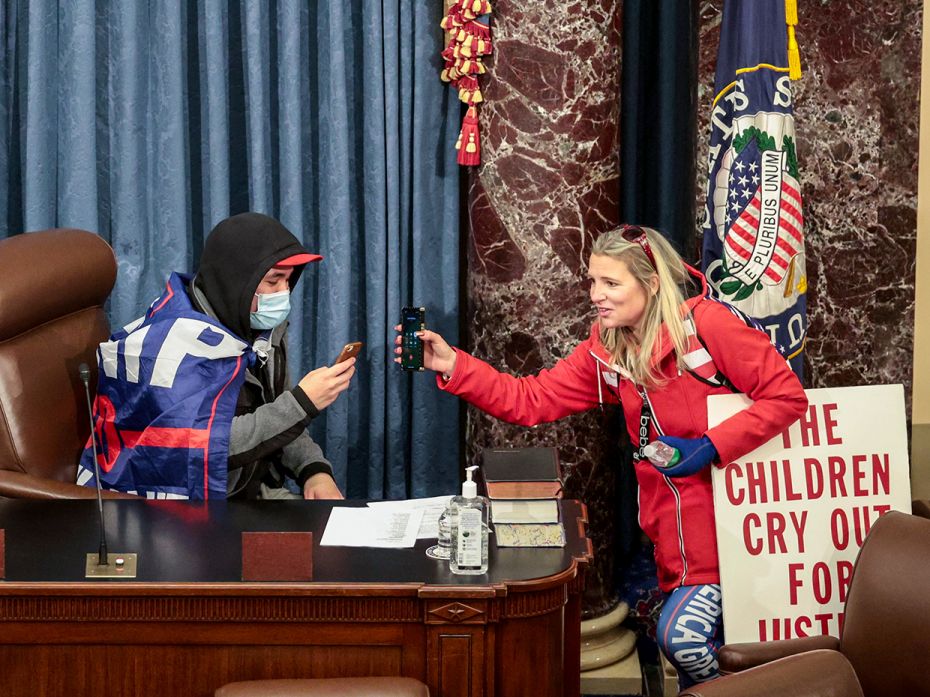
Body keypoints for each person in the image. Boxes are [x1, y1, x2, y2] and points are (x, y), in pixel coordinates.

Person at [394, 225, 807, 688]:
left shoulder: (708, 326)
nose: (596, 295)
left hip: (733, 533)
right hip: (673, 541)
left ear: (651, 284)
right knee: (695, 671)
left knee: (682, 639)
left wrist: (711, 446)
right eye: (593, 281)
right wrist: (455, 366)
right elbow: (532, 400)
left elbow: (787, 398)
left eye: (611, 283)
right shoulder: (608, 350)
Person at [77, 212, 354, 501]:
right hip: (185, 504)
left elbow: (276, 411)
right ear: (238, 281)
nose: (284, 293)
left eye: (289, 280)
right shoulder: (170, 347)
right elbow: (207, 448)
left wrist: (313, 470)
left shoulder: (260, 326)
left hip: (247, 488)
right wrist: (302, 403)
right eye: (274, 281)